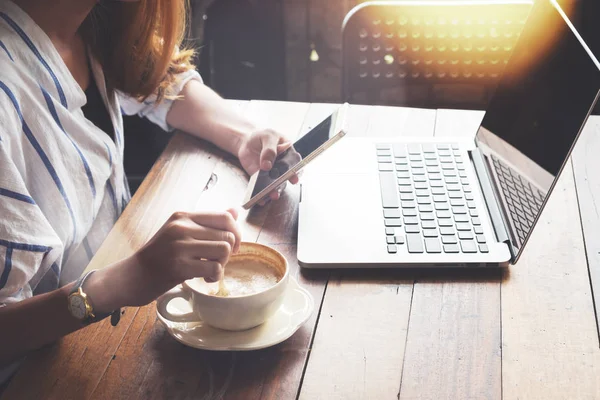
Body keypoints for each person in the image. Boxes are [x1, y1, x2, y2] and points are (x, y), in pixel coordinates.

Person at [0, 0, 297, 382]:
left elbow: (158, 78)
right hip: (40, 374)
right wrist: (124, 280)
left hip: (111, 330)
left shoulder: (91, 23)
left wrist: (243, 136)